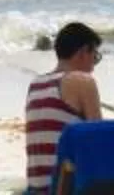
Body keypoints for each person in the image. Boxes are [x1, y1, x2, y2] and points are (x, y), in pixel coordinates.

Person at [25, 21, 105, 194]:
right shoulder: (82, 80)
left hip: (36, 189)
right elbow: (99, 142)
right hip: (61, 188)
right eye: (95, 57)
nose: (93, 67)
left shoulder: (35, 84)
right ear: (83, 52)